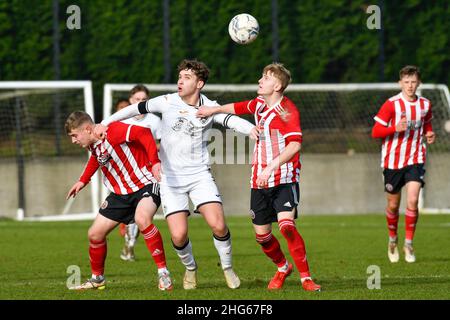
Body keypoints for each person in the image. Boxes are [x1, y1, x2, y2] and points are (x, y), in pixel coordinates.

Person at [95, 59, 255, 290]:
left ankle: (228, 268)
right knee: (179, 236)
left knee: (218, 225)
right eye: (179, 77)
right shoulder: (167, 101)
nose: (180, 81)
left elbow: (229, 119)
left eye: (187, 77)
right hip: (170, 180)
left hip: (200, 176)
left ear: (199, 83)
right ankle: (190, 269)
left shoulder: (209, 106)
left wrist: (250, 129)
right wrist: (105, 122)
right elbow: (135, 109)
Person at [196, 63, 321, 291]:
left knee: (286, 226)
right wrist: (213, 111)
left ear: (278, 85)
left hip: (283, 178)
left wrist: (271, 167)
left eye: (266, 77)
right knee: (262, 237)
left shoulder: (287, 110)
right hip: (258, 181)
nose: (260, 80)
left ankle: (306, 278)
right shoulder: (260, 105)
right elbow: (237, 107)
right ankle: (283, 267)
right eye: (262, 76)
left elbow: (294, 145)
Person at [65, 110, 172, 290]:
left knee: (142, 219)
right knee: (94, 234)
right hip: (119, 194)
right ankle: (97, 278)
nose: (73, 141)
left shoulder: (112, 131)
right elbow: (97, 159)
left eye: (75, 135)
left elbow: (143, 133)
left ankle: (164, 274)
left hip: (144, 184)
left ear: (87, 129)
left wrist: (154, 161)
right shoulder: (93, 144)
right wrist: (83, 180)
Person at [371, 65, 435, 263]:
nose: (410, 85)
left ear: (419, 83)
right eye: (406, 82)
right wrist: (393, 128)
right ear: (400, 83)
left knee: (413, 200)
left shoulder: (425, 104)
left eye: (413, 82)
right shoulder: (391, 104)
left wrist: (430, 134)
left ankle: (408, 243)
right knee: (393, 205)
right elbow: (375, 132)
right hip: (392, 161)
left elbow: (427, 125)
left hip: (415, 159)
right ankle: (392, 239)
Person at [114, 85, 162, 262]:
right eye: (137, 100)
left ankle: (130, 244)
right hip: (127, 173)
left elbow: (164, 145)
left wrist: (148, 146)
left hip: (151, 172)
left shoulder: (155, 121)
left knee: (141, 214)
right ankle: (130, 242)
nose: (140, 103)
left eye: (144, 100)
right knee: (134, 214)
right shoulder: (123, 120)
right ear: (130, 100)